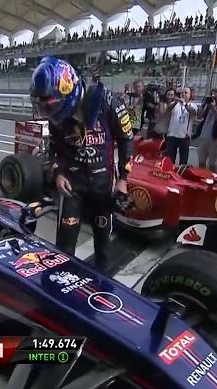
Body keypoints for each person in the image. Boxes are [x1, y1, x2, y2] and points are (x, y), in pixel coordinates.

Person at [29, 57, 133, 271]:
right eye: (44, 105)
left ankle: (102, 288)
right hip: (72, 186)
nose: (49, 111)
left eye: (51, 104)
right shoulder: (56, 113)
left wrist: (123, 179)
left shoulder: (108, 101)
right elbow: (54, 148)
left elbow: (127, 139)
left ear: (68, 89)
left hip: (102, 185)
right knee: (63, 249)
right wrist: (58, 173)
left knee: (103, 249)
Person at [194, 87, 217, 171]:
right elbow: (199, 116)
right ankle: (201, 177)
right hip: (203, 137)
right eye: (213, 96)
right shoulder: (208, 106)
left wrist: (213, 107)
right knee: (201, 162)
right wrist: (203, 104)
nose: (214, 99)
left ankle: (211, 178)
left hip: (214, 139)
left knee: (212, 164)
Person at [165, 87, 198, 165]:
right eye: (182, 92)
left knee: (183, 160)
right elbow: (167, 109)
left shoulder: (193, 105)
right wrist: (175, 102)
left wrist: (185, 104)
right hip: (172, 135)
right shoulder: (175, 104)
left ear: (190, 95)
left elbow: (193, 112)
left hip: (184, 136)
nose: (183, 94)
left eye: (186, 93)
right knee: (169, 159)